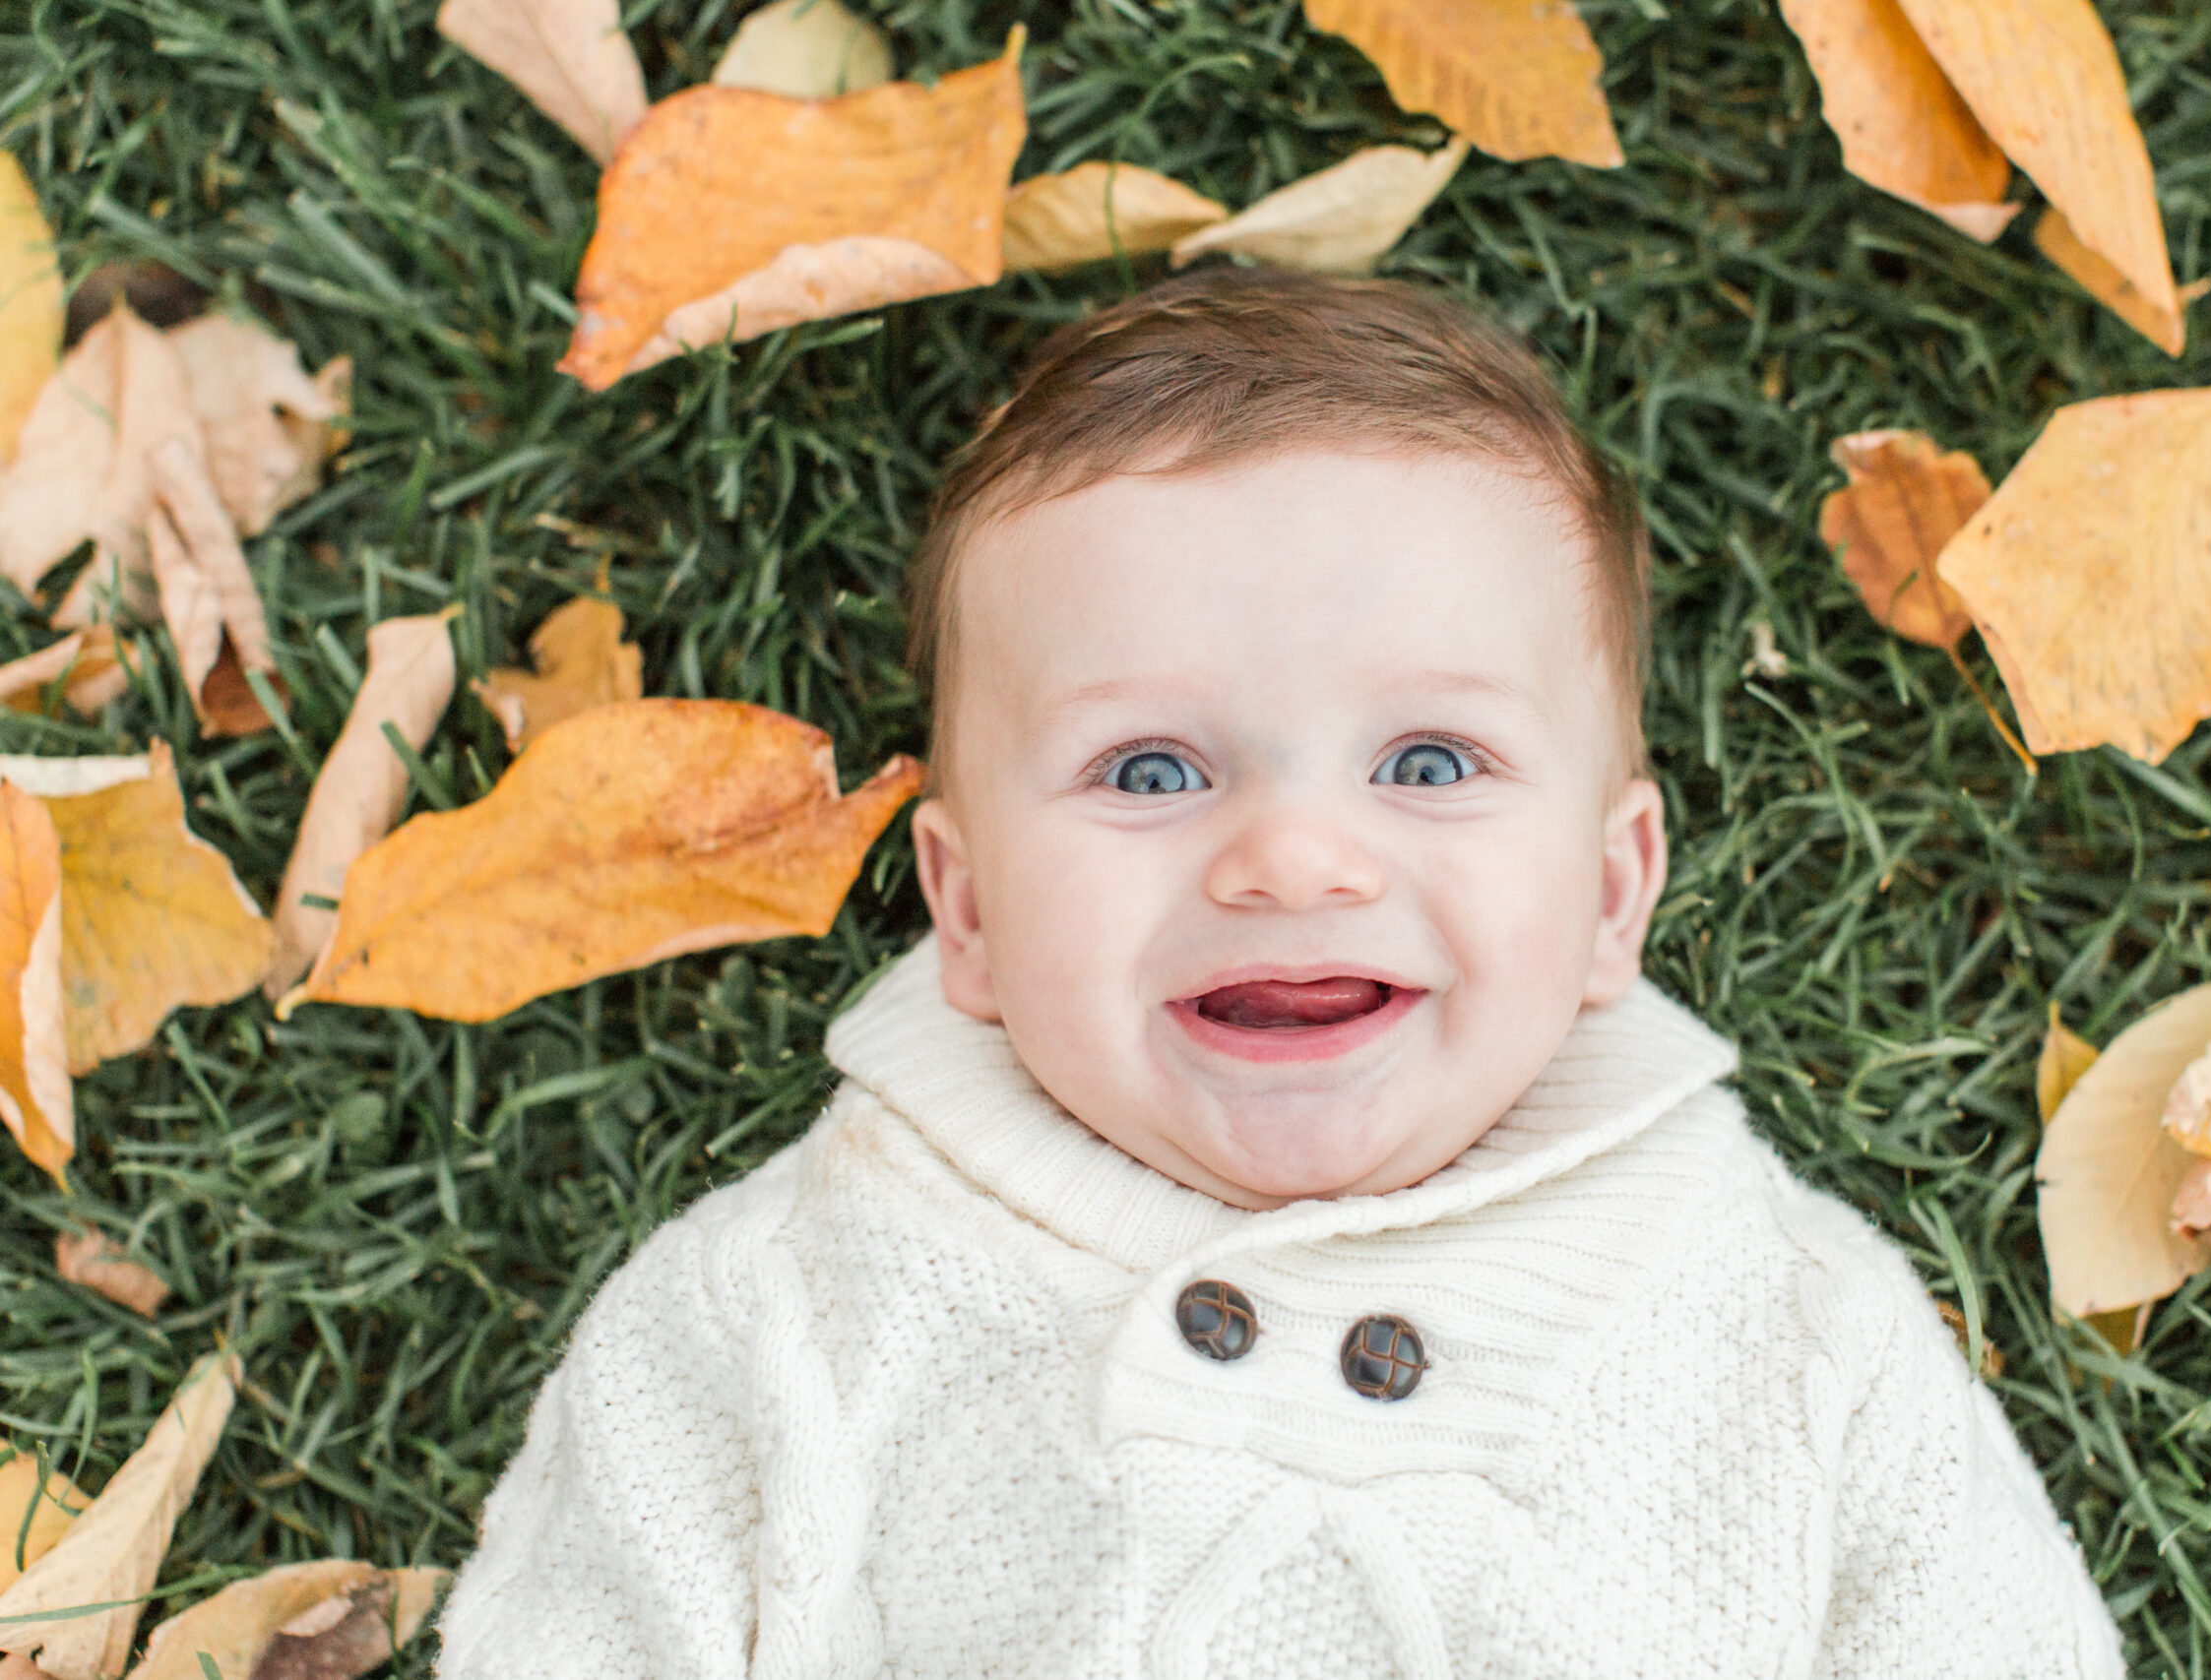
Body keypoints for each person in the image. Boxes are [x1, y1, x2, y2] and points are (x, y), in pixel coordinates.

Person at [434, 267, 2124, 1678]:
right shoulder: (785, 1310)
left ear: (1612, 894)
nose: (1296, 859)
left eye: (1432, 763)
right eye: (1154, 774)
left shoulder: (1792, 1324)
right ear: (964, 912)